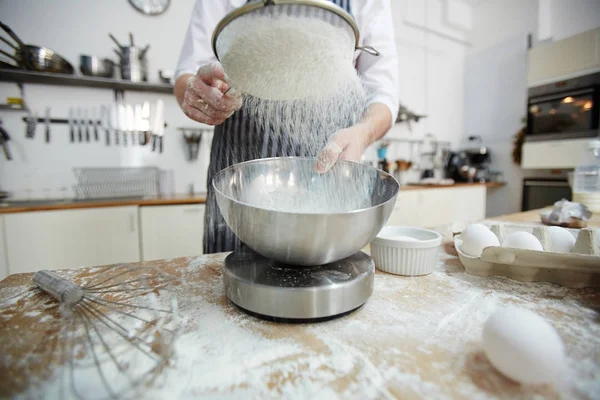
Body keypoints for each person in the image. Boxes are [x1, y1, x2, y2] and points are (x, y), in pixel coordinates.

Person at [175, 0, 399, 254]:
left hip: (327, 179)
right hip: (237, 191)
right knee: (226, 283)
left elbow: (384, 94)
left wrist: (363, 133)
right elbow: (187, 74)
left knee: (322, 270)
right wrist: (199, 91)